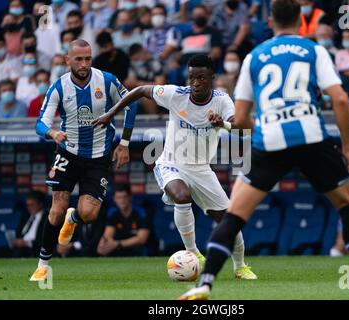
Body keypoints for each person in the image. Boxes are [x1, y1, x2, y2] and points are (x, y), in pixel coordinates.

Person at [179, 0, 349, 300]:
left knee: (234, 215)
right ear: (299, 21)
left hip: (270, 143)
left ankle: (205, 284)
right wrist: (347, 147)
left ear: (270, 21)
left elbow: (240, 119)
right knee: (347, 207)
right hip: (312, 138)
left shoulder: (254, 56)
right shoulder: (313, 50)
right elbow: (341, 100)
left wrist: (264, 124)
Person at [92, 54, 258, 280]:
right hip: (171, 163)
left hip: (201, 169)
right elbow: (140, 90)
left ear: (212, 78)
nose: (196, 83)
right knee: (181, 195)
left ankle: (240, 266)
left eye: (201, 78)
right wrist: (111, 113)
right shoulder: (175, 94)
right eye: (192, 78)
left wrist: (224, 124)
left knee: (230, 221)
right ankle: (192, 252)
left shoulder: (222, 100)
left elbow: (239, 125)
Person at [29, 39, 128, 282]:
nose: (84, 64)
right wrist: (52, 133)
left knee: (89, 214)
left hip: (98, 157)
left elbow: (130, 104)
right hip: (68, 153)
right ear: (67, 60)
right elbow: (40, 122)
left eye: (87, 59)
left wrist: (124, 143)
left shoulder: (106, 80)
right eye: (79, 59)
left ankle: (74, 218)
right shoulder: (59, 87)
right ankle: (43, 264)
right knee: (56, 209)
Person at [97, 185, 151, 256]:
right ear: (114, 199)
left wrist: (117, 244)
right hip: (119, 252)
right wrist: (103, 244)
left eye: (124, 197)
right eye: (118, 197)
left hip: (138, 253)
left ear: (130, 197)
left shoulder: (140, 213)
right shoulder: (113, 213)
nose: (122, 200)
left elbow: (141, 239)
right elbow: (107, 235)